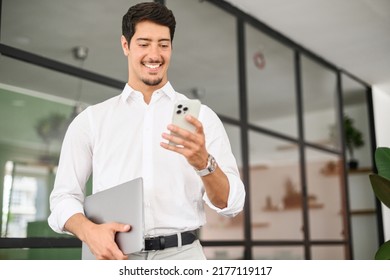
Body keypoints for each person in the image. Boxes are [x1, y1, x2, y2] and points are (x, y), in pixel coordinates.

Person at [48, 2, 245, 260]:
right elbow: (63, 197)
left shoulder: (201, 118)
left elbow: (231, 204)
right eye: (143, 43)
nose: (155, 54)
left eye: (163, 44)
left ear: (171, 48)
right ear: (125, 45)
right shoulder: (92, 120)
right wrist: (88, 231)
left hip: (183, 258)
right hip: (115, 256)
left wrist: (203, 163)